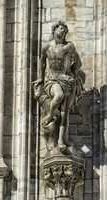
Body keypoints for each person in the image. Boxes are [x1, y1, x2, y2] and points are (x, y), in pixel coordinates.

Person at [34, 21, 82, 152]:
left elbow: (78, 63)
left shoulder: (69, 47)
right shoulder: (46, 47)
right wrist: (40, 78)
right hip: (52, 80)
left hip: (67, 80)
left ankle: (61, 141)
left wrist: (71, 74)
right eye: (61, 29)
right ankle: (49, 115)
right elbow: (42, 63)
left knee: (64, 114)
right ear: (54, 30)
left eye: (65, 31)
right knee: (58, 95)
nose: (63, 32)